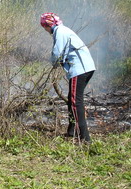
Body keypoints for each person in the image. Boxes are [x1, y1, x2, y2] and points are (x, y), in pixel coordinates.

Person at [40, 12, 96, 143]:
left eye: (44, 27)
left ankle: (85, 138)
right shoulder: (64, 30)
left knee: (76, 102)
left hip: (79, 69)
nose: (45, 30)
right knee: (72, 100)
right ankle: (72, 132)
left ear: (48, 25)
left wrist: (53, 63)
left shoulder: (59, 32)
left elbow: (57, 52)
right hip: (86, 68)